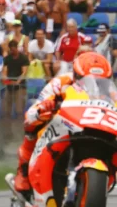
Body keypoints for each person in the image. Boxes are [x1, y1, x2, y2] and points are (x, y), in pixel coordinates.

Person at [13, 52, 111, 191]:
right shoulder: (61, 82)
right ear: (76, 75)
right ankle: (23, 171)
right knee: (32, 124)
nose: (94, 83)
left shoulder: (110, 91)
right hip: (63, 125)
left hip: (96, 128)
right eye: (89, 79)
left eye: (101, 80)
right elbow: (32, 112)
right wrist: (44, 108)